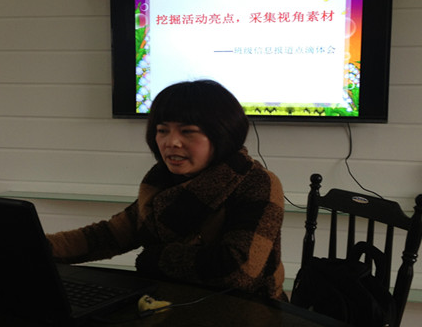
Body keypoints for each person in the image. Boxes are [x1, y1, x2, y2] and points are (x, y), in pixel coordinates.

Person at [46, 80, 287, 301]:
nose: (171, 142)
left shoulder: (257, 182)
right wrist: (36, 247)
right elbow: (109, 235)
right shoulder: (161, 181)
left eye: (187, 131)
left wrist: (154, 259)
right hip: (174, 301)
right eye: (162, 130)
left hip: (250, 310)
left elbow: (239, 270)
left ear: (222, 134)